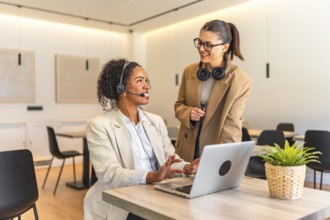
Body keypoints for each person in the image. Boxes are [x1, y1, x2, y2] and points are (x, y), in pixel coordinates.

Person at [84, 58, 199, 220]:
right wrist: (152, 176)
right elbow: (109, 175)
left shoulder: (155, 121)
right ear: (121, 88)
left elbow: (169, 160)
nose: (147, 86)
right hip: (124, 202)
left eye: (146, 80)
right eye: (139, 81)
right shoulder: (99, 125)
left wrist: (188, 167)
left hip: (158, 194)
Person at [174, 19, 253, 162]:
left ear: (224, 47)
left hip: (214, 149)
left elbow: (232, 127)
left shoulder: (240, 80)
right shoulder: (189, 71)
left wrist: (220, 161)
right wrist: (188, 113)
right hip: (186, 147)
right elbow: (178, 106)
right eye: (200, 42)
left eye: (208, 45)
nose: (201, 49)